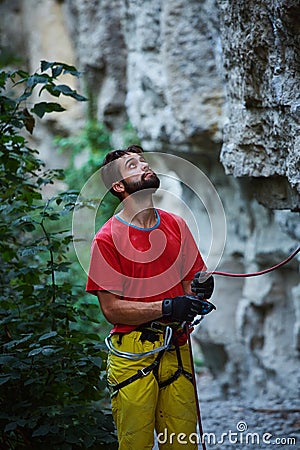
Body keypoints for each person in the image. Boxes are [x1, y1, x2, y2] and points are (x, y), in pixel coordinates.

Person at [86, 145, 215, 450]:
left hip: (177, 348)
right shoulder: (106, 239)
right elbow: (112, 310)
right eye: (133, 165)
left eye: (143, 162)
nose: (144, 166)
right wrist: (168, 306)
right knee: (136, 445)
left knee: (184, 445)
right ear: (119, 186)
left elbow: (189, 285)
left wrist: (198, 291)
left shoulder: (176, 225)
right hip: (133, 354)